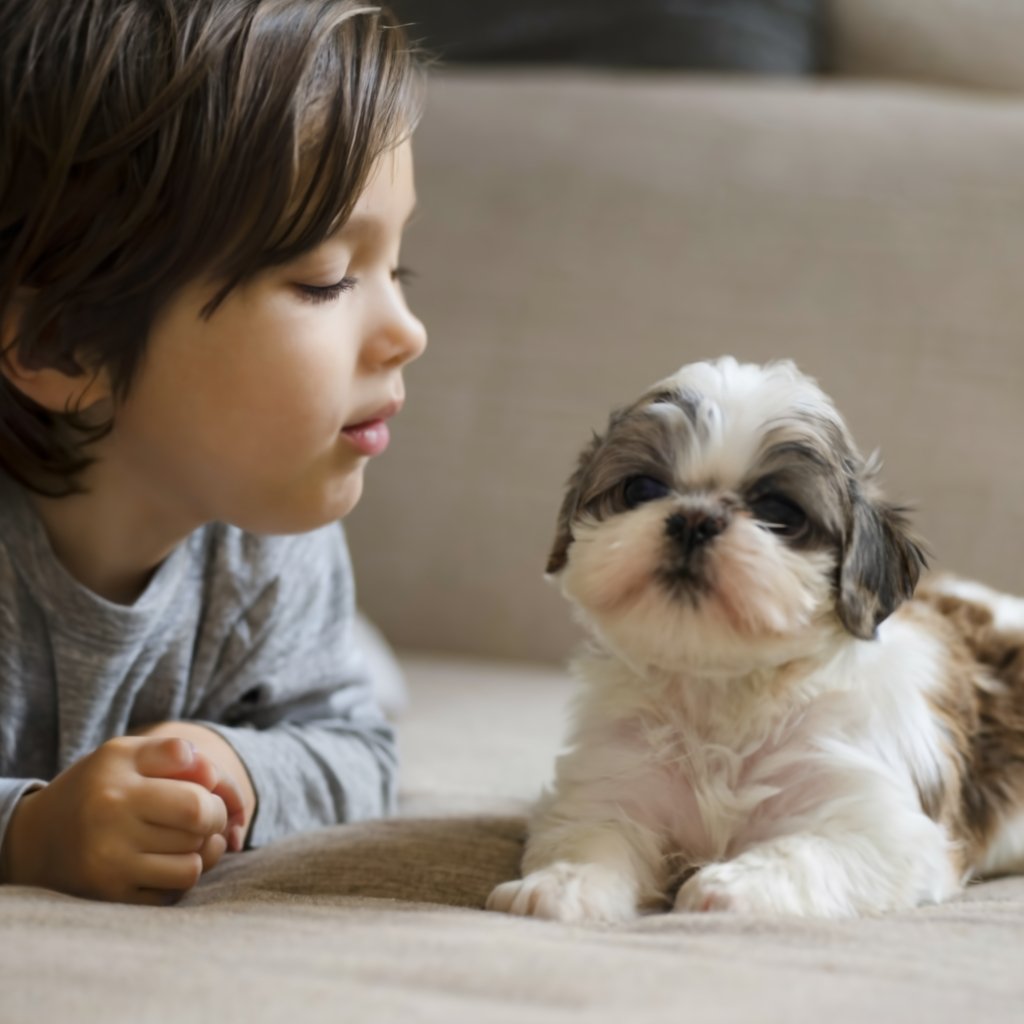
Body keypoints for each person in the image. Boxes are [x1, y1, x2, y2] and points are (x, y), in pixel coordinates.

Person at [0, 0, 427, 905]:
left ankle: (345, 649)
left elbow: (357, 750)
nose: (408, 331)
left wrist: (240, 766)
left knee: (355, 679)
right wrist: (27, 829)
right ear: (61, 347)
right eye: (326, 280)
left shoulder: (267, 534)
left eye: (400, 270)